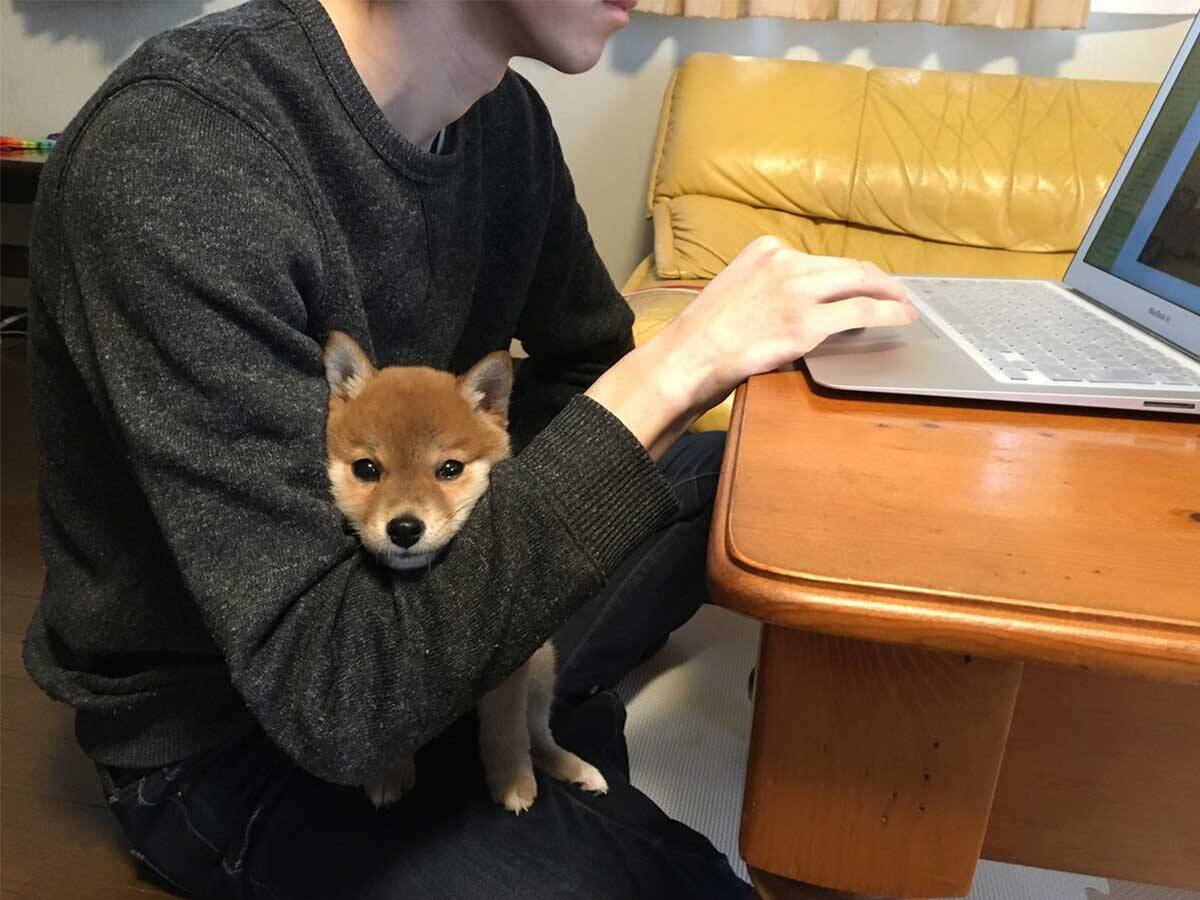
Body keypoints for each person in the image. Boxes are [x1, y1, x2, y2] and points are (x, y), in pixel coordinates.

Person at [22, 0, 917, 897]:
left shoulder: (505, 122)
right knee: (665, 882)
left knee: (737, 483)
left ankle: (547, 728)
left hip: (418, 618)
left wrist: (494, 521)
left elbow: (582, 360)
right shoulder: (180, 155)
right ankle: (563, 754)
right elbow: (329, 700)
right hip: (245, 727)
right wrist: (675, 370)